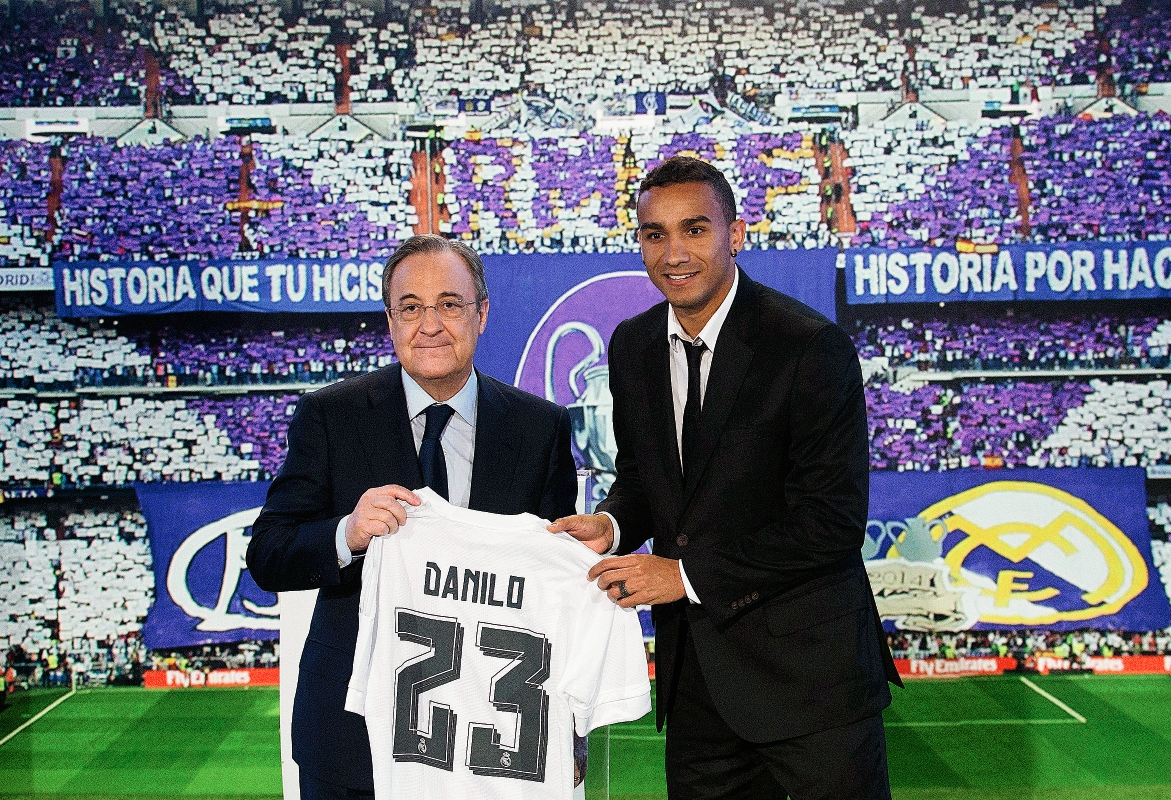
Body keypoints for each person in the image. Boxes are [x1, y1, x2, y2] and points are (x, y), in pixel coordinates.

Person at [549, 156, 902, 800]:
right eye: (655, 234)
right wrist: (613, 521)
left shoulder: (806, 345)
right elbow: (644, 482)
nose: (674, 251)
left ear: (734, 234)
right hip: (698, 692)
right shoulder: (631, 346)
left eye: (694, 229)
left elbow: (832, 521)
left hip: (810, 685)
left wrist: (682, 577)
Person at [248, 234, 578, 800]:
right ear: (390, 318)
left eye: (449, 304)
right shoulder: (330, 415)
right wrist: (346, 533)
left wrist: (567, 728)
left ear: (482, 313)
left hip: (492, 735)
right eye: (410, 307)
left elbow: (557, 593)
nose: (430, 324)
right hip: (352, 734)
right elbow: (269, 555)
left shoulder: (539, 427)